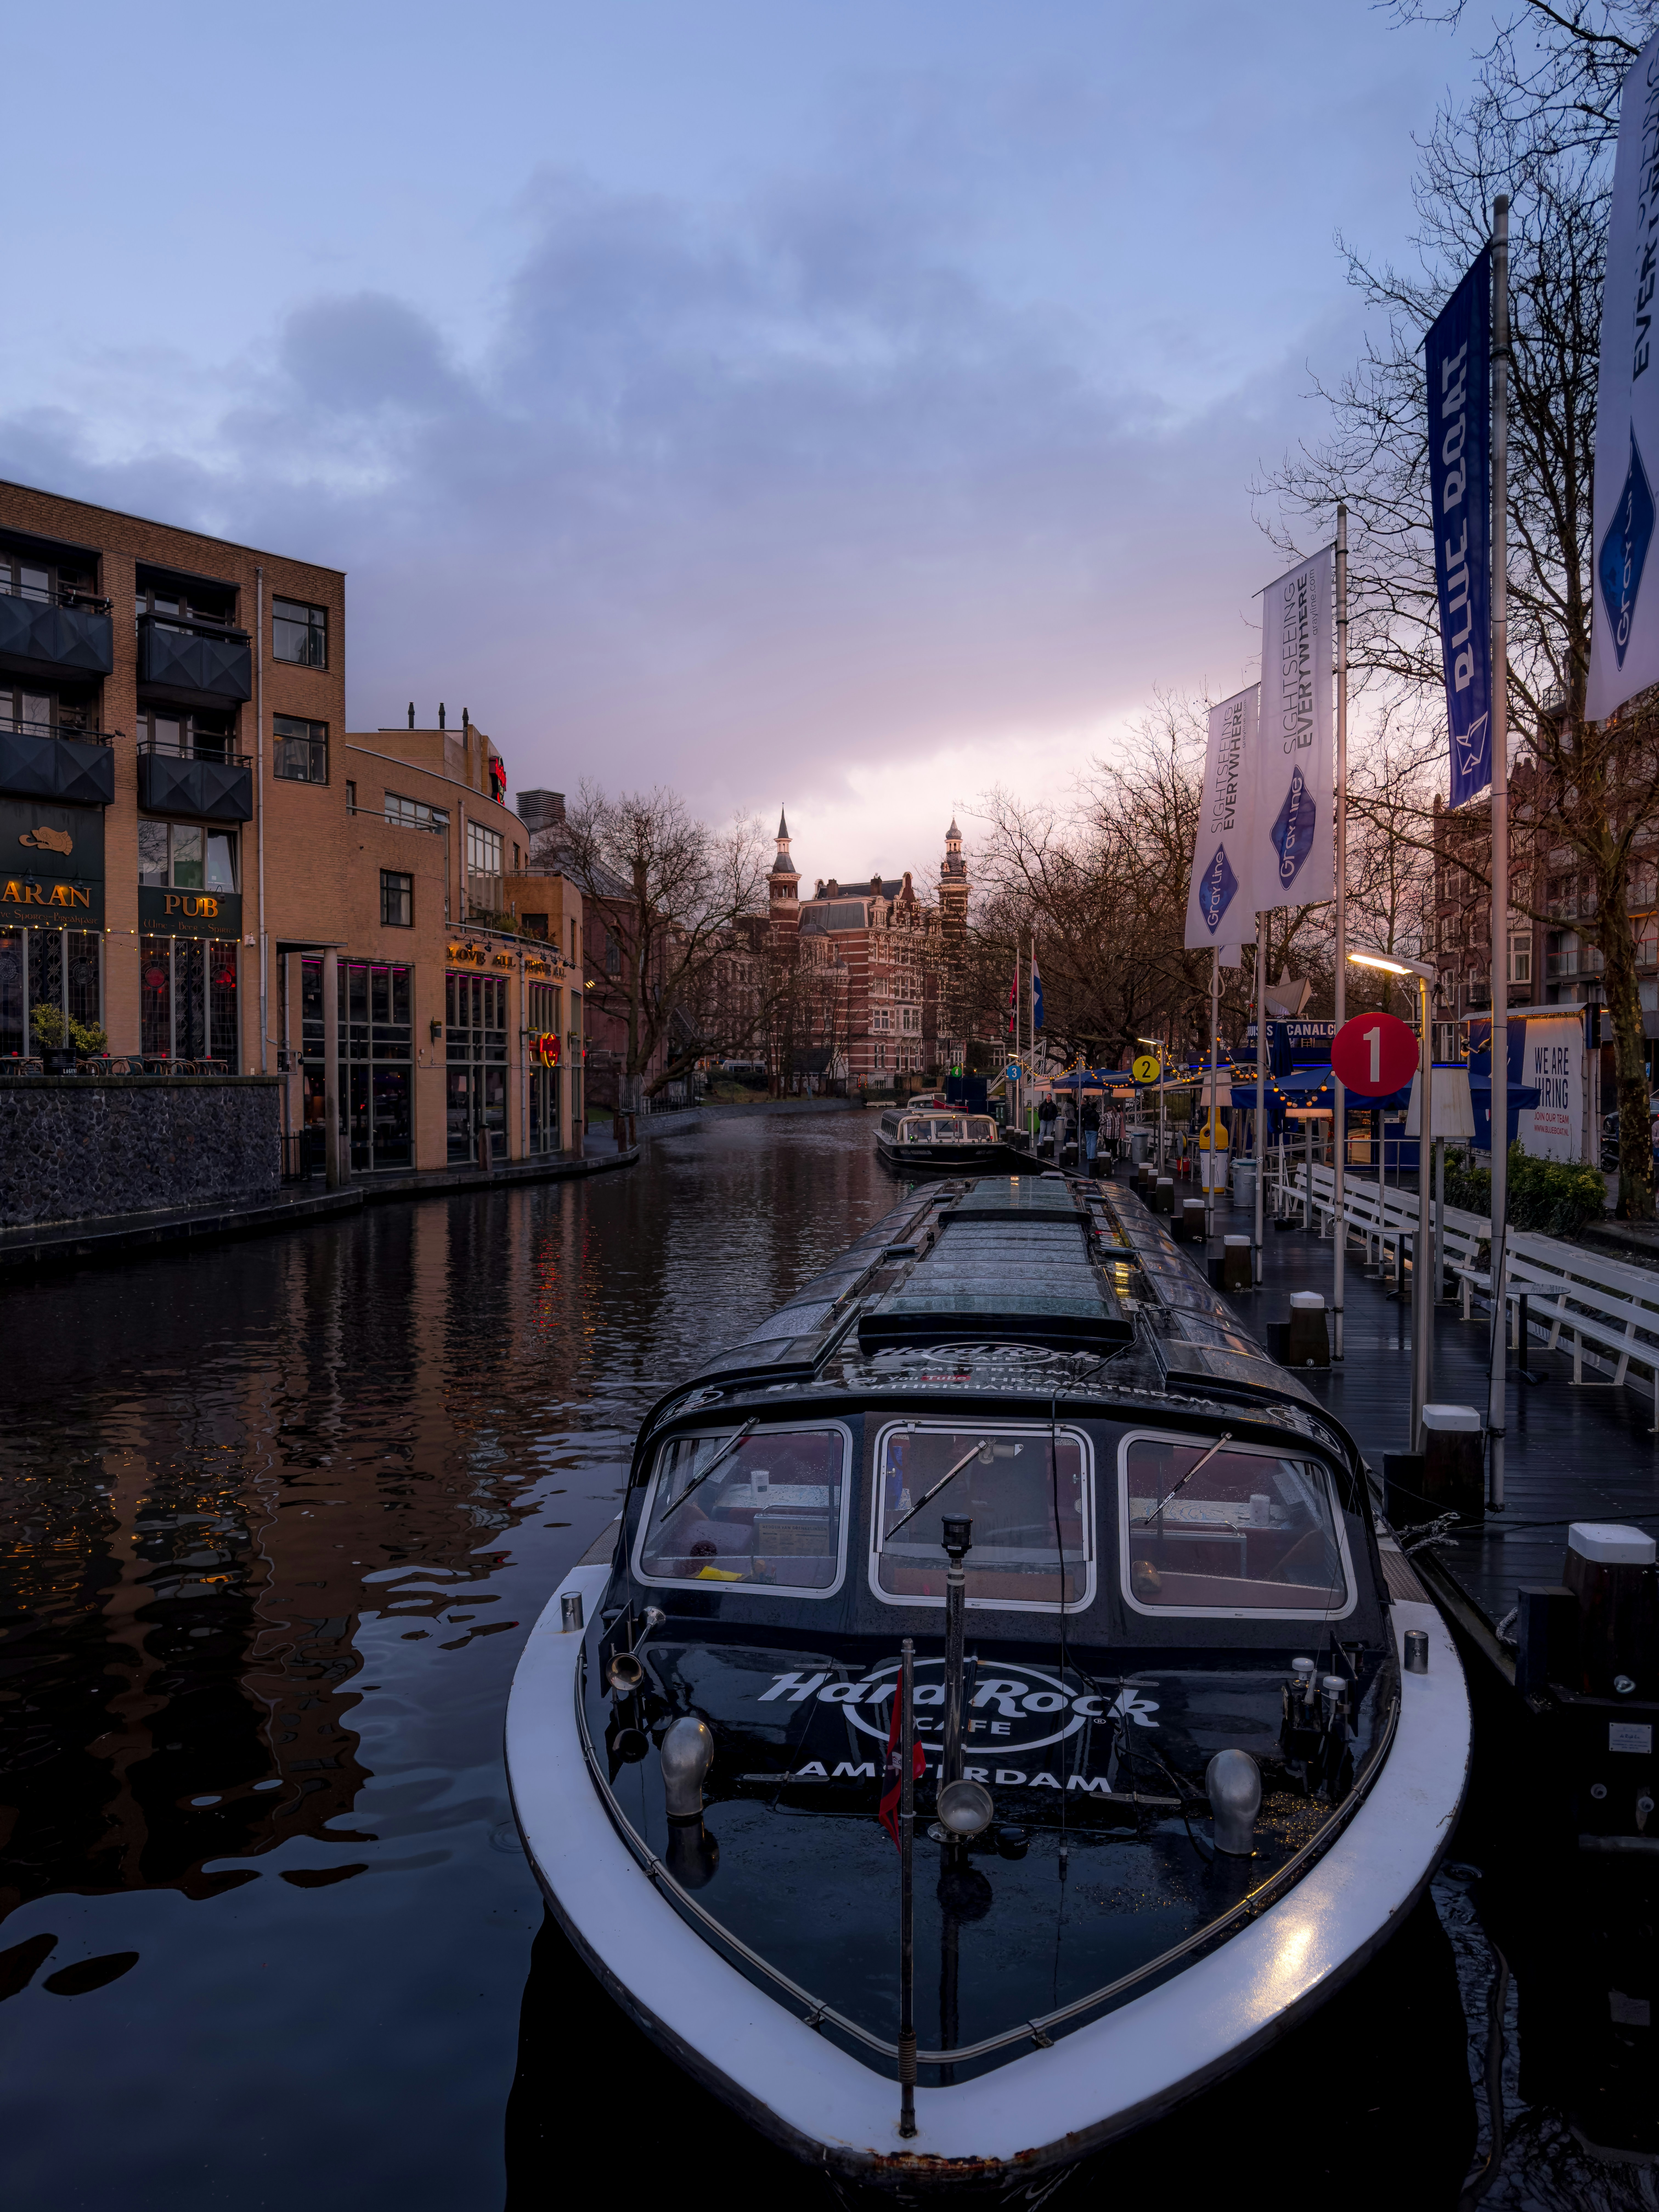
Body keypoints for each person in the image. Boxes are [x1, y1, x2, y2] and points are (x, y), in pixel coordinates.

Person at [1081, 1097, 1100, 1165]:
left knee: (1088, 1143)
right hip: (1094, 1129)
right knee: (1093, 1143)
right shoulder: (1096, 1114)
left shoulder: (1086, 1113)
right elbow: (1098, 1122)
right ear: (1096, 1107)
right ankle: (1092, 1157)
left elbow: (1084, 1120)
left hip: (1087, 1128)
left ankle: (1089, 1156)